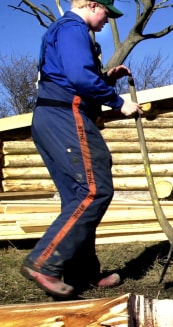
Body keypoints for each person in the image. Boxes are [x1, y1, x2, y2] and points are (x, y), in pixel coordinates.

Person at [21, 0, 142, 298]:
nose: (106, 22)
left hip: (50, 116)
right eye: (105, 14)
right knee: (94, 190)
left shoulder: (61, 31)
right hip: (67, 115)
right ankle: (44, 262)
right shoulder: (74, 29)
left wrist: (105, 79)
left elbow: (72, 77)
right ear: (91, 4)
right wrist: (118, 101)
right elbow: (78, 77)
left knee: (77, 197)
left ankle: (82, 273)